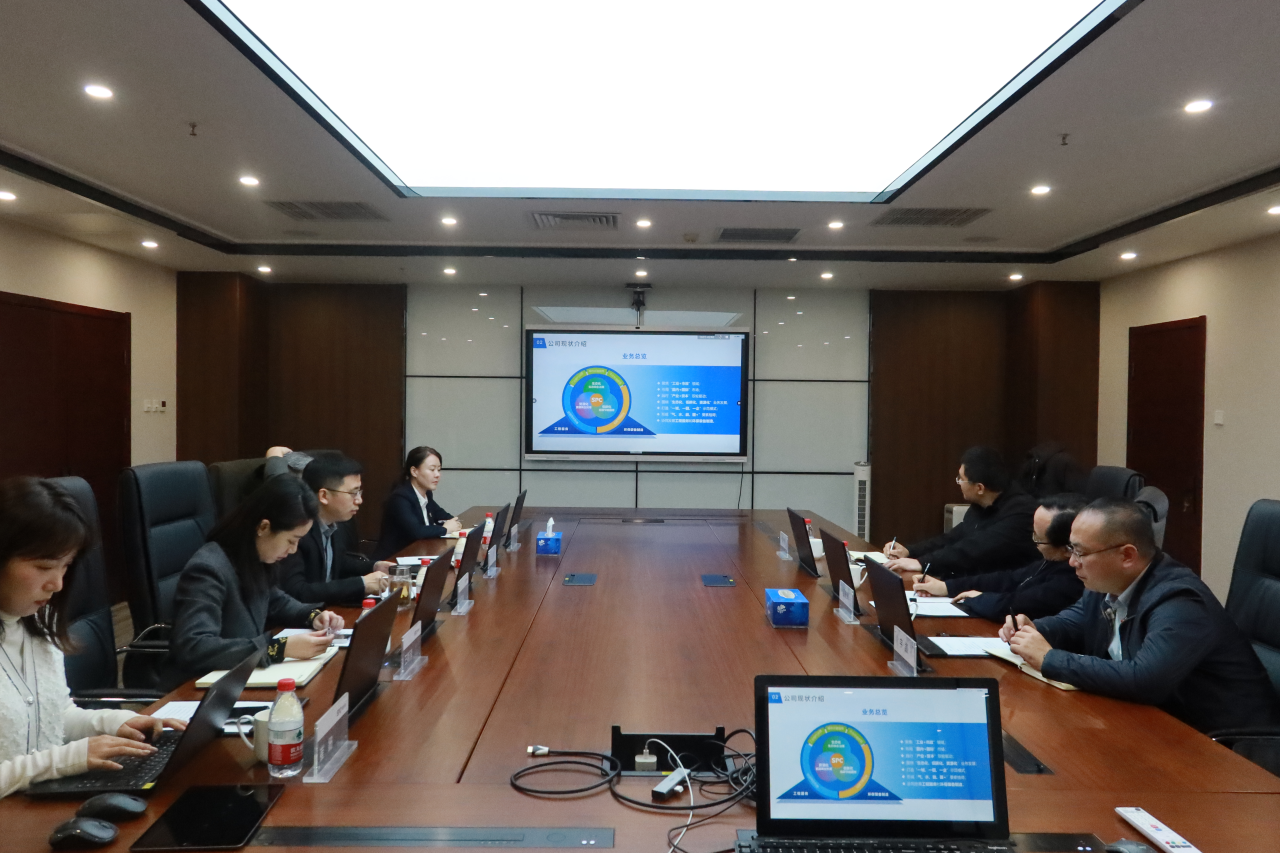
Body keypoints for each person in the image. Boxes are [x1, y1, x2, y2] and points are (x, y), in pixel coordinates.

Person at [1001, 498, 1280, 734]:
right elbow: (1074, 621)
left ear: (1127, 556)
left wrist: (1049, 658)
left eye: (1081, 552)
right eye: (1072, 549)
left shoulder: (1180, 600)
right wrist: (1033, 630)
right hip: (1157, 724)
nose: (1072, 561)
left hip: (1228, 746)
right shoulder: (1107, 582)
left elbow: (1146, 679)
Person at [0, 477, 186, 798]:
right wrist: (63, 760)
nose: (57, 584)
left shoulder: (39, 620)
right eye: (43, 567)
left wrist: (114, 722)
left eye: (65, 566)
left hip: (39, 804)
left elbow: (54, 717)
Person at [161, 475, 345, 691]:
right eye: (291, 540)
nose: (293, 550)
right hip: (199, 688)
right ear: (264, 527)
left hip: (238, 677)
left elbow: (275, 601)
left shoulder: (252, 557)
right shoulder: (208, 568)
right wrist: (278, 648)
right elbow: (194, 647)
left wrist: (313, 616)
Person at [913, 493, 1086, 622]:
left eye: (1038, 538)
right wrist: (946, 587)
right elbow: (1009, 579)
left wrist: (977, 599)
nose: (1033, 542)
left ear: (1068, 549)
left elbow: (1017, 606)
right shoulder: (1052, 560)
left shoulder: (1075, 578)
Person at [884, 445, 1038, 578]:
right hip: (969, 584)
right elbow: (953, 538)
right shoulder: (981, 504)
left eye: (961, 478)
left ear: (979, 488)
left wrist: (921, 563)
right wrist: (910, 551)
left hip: (1001, 592)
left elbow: (973, 549)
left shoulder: (1021, 513)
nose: (958, 482)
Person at [274, 452, 392, 607]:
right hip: (305, 615)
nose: (359, 500)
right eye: (353, 493)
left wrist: (374, 566)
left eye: (359, 492)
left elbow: (336, 561)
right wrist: (361, 584)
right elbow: (297, 591)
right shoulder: (298, 531)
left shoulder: (337, 523)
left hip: (331, 610)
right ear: (324, 495)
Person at [373, 446, 461, 561]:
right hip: (394, 560)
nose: (437, 475)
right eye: (432, 469)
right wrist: (445, 529)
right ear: (414, 471)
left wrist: (454, 522)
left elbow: (441, 515)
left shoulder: (426, 493)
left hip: (419, 554)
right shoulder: (400, 498)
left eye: (439, 470)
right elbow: (417, 531)